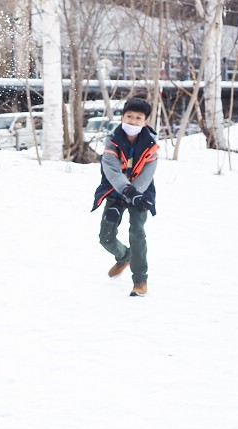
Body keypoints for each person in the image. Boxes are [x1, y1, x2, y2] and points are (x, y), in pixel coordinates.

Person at [91, 97, 159, 297]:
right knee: (106, 238)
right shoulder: (111, 142)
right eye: (129, 116)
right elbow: (112, 171)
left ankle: (140, 279)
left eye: (138, 118)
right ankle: (124, 256)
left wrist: (133, 194)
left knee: (137, 232)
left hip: (141, 193)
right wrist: (121, 199)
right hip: (115, 190)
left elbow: (147, 175)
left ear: (145, 122)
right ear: (122, 117)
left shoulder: (151, 146)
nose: (132, 121)